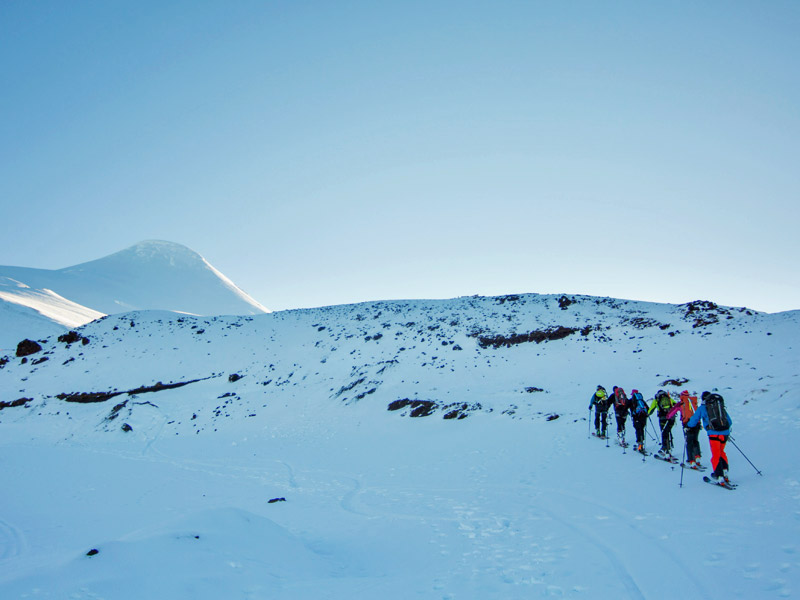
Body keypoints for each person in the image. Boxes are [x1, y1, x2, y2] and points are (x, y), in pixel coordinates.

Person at [687, 391, 733, 483]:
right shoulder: (719, 406)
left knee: (716, 454)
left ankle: (719, 476)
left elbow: (694, 420)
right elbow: (729, 421)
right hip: (725, 433)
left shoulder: (702, 408)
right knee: (721, 452)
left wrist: (688, 426)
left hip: (714, 434)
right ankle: (725, 472)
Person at [669, 390, 702, 467]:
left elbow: (672, 412)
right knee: (695, 440)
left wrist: (668, 417)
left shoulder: (681, 403)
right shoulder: (693, 402)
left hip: (687, 424)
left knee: (689, 442)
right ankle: (697, 457)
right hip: (696, 423)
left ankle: (691, 460)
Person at [648, 389, 677, 459]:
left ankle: (665, 449)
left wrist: (647, 414)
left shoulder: (656, 399)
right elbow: (675, 405)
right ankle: (669, 450)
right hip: (671, 418)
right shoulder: (668, 398)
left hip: (662, 418)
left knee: (664, 433)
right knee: (668, 432)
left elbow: (651, 409)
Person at [629, 389, 649, 453]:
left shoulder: (632, 401)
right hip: (643, 417)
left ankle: (639, 445)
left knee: (638, 429)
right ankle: (642, 443)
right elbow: (647, 408)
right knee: (642, 429)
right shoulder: (642, 400)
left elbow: (626, 407)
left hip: (636, 417)